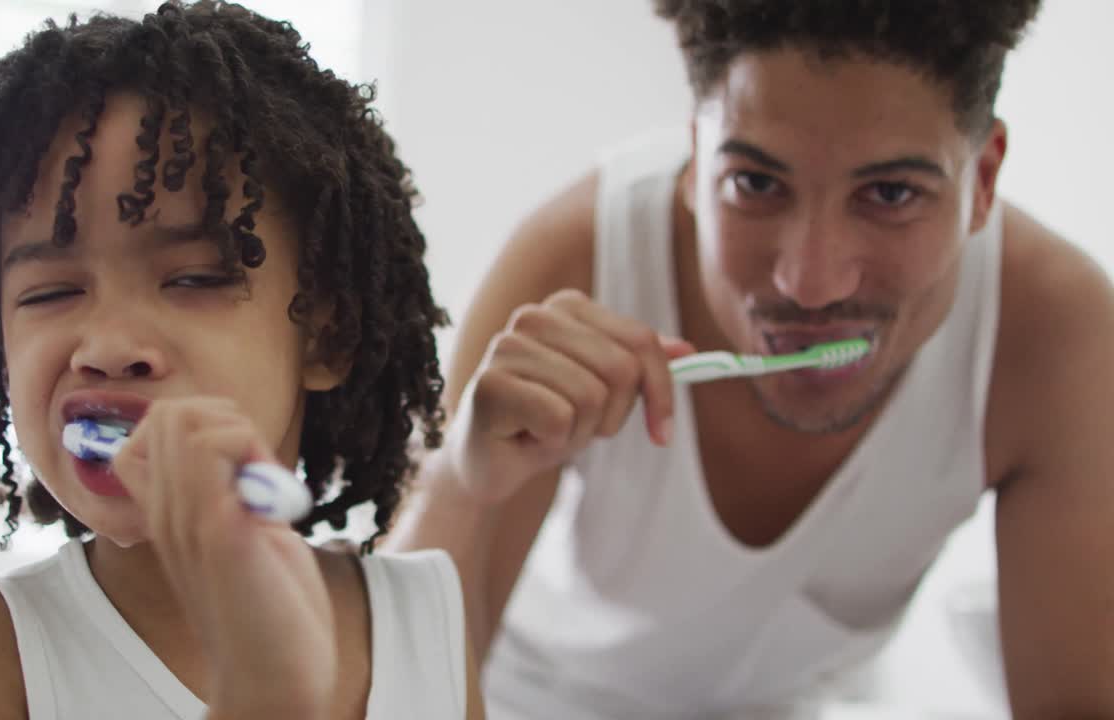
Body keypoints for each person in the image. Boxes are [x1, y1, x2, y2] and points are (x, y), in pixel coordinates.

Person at [388, 1, 1114, 717]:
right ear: (696, 160)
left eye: (890, 194)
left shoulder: (1055, 335)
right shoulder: (577, 261)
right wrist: (457, 480)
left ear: (983, 181)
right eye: (757, 185)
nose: (811, 281)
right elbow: (401, 694)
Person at [0, 3, 484, 719]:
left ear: (328, 335)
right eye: (52, 291)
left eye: (193, 279)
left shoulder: (428, 617)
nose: (108, 351)